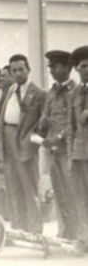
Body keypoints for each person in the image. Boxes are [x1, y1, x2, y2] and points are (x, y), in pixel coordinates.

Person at [0, 54, 46, 234]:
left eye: (21, 69)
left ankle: (34, 229)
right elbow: (1, 117)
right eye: (14, 70)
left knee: (28, 186)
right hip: (8, 140)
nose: (17, 73)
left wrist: (32, 144)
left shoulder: (39, 93)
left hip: (24, 143)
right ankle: (18, 227)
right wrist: (0, 146)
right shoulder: (10, 90)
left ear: (28, 70)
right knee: (12, 186)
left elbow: (43, 124)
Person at [37, 50, 79, 241]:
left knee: (73, 193)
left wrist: (59, 137)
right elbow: (45, 116)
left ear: (68, 68)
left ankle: (79, 234)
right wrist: (40, 133)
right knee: (59, 193)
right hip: (52, 149)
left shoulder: (75, 91)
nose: (52, 70)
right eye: (51, 67)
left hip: (68, 149)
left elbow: (74, 122)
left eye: (55, 66)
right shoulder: (52, 91)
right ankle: (64, 231)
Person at [67, 45, 88, 246]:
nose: (87, 70)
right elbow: (71, 126)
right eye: (83, 66)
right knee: (81, 198)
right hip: (79, 153)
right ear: (77, 69)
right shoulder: (74, 94)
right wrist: (70, 155)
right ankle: (84, 237)